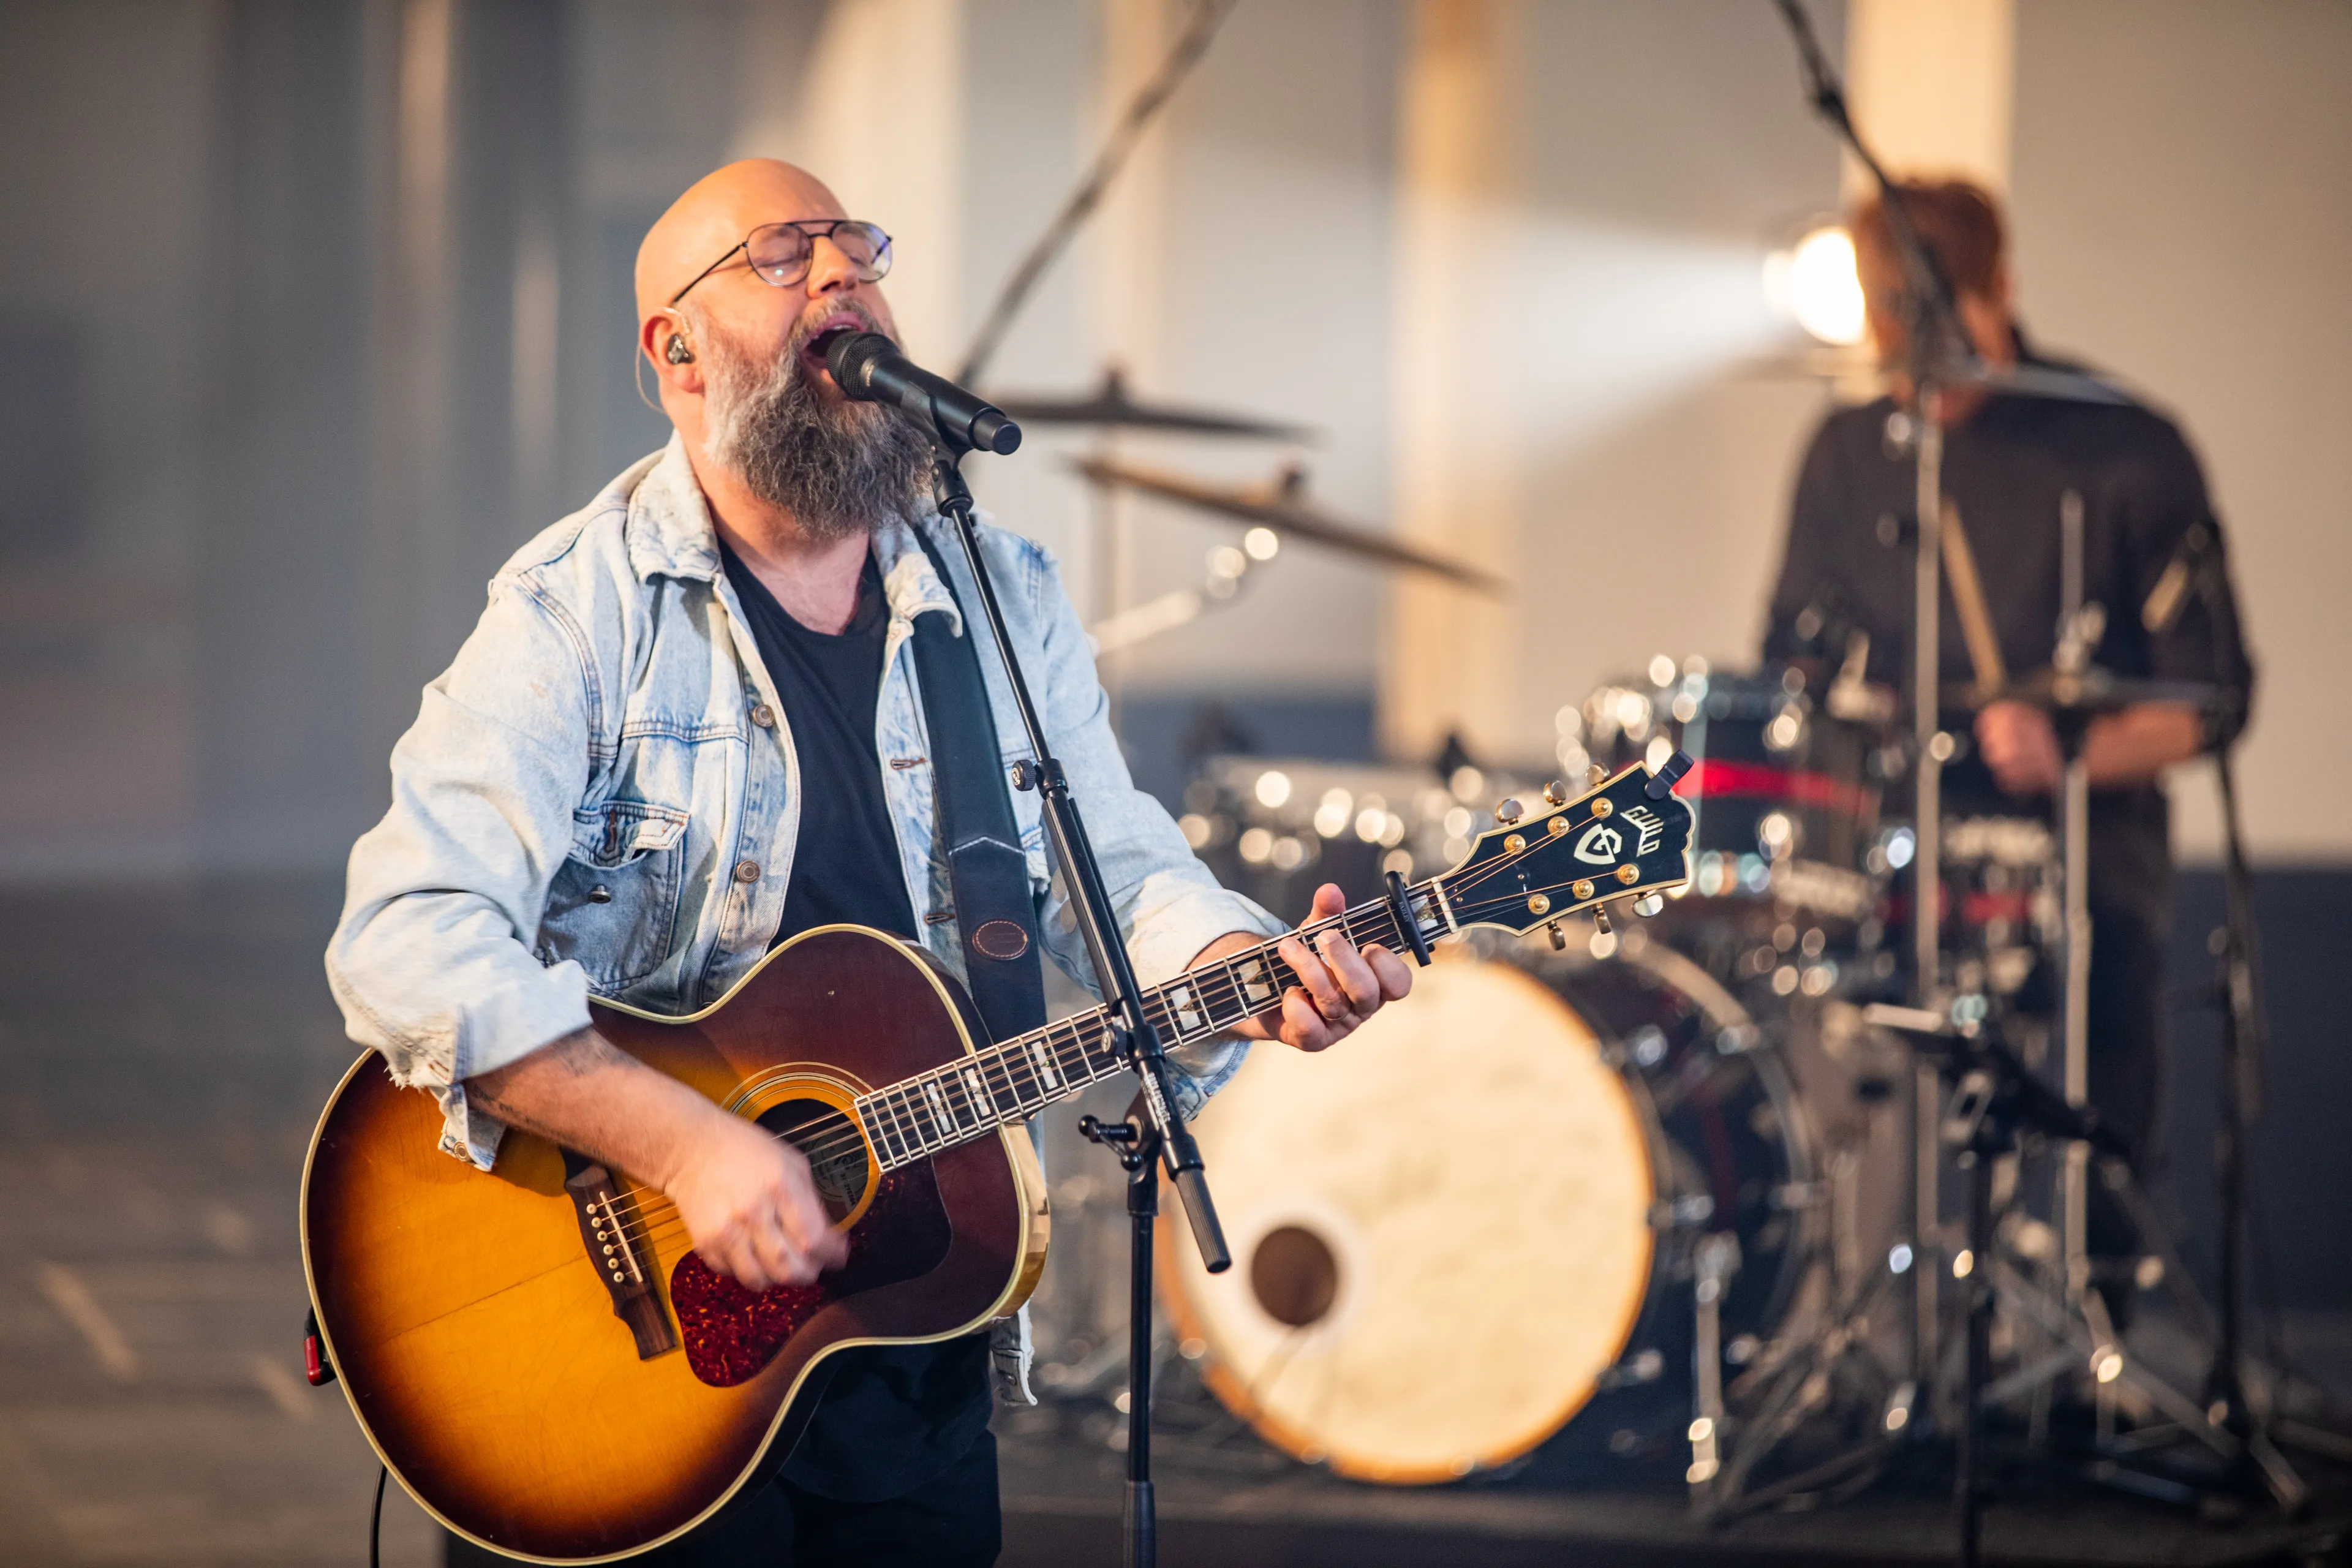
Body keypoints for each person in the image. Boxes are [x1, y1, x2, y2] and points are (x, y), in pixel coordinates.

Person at [325, 157, 1412, 1566]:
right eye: (785, 254)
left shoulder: (998, 594)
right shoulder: (578, 615)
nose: (843, 272)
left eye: (858, 247)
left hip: (912, 1330)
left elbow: (1116, 865)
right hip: (622, 1378)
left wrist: (1238, 966)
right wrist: (685, 1144)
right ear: (677, 352)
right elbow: (407, 933)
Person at [1762, 178, 2255, 1318]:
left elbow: (2215, 699)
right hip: (1893, 863)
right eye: (1899, 349)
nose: (1924, 380)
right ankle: (1862, 1324)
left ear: (2005, 291)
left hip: (2081, 870)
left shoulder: (2126, 447)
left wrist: (2072, 756)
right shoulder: (1847, 451)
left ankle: (2090, 1329)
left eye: (1950, 339)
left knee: (2093, 1086)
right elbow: (1790, 666)